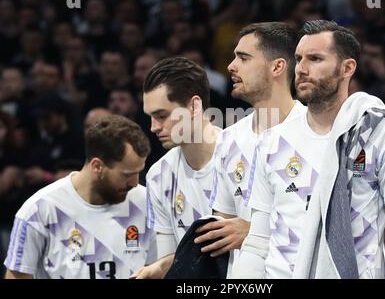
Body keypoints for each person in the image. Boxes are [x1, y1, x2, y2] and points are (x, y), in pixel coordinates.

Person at [236, 20, 385, 279]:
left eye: (315, 59)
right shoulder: (272, 142)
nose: (301, 69)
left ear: (347, 68)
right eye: (299, 59)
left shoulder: (381, 134)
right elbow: (257, 241)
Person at [194, 22, 304, 266]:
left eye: (243, 58)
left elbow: (325, 225)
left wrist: (254, 234)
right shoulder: (228, 139)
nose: (231, 66)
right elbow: (222, 228)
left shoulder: (315, 134)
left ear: (277, 66)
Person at [4, 115, 157, 278]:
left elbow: (158, 268)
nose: (134, 183)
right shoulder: (38, 210)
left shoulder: (147, 202)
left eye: (138, 172)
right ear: (97, 166)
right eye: (127, 174)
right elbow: (17, 275)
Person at [132, 57, 220, 279]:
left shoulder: (244, 155)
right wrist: (156, 269)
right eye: (150, 117)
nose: (153, 127)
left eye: (162, 116)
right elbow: (172, 258)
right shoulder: (158, 175)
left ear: (194, 105)